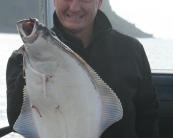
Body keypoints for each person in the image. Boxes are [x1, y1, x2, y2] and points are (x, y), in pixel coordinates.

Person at [1, 0, 159, 137]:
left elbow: (147, 117)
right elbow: (17, 120)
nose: (75, 7)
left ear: (99, 2)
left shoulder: (131, 50)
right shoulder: (19, 60)